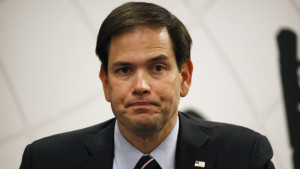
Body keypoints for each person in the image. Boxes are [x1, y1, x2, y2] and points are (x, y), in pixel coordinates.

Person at [20, 2, 275, 169]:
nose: (140, 85)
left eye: (157, 68)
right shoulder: (46, 161)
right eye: (124, 70)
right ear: (106, 83)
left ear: (184, 77)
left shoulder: (245, 157)